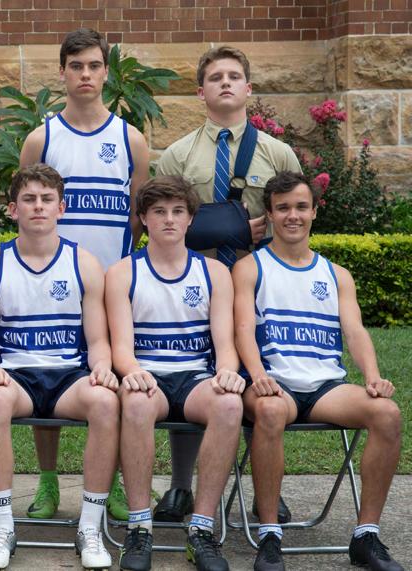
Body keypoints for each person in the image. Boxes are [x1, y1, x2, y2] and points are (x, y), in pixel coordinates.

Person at [154, 45, 302, 524]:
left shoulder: (277, 153)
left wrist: (266, 227)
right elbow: (161, 217)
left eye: (234, 76)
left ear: (248, 88)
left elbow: (295, 215)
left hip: (257, 285)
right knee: (192, 378)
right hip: (194, 286)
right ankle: (180, 487)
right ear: (201, 91)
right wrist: (216, 227)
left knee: (263, 382)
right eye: (215, 77)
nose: (225, 83)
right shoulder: (178, 154)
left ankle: (266, 489)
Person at [233, 171, 404, 571]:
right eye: (283, 208)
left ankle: (366, 536)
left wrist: (372, 376)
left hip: (326, 388)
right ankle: (270, 534)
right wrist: (257, 374)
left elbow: (354, 332)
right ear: (269, 214)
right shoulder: (250, 268)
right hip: (273, 383)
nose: (292, 215)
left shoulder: (336, 274)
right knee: (270, 410)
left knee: (387, 413)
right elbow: (241, 328)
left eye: (301, 207)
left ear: (313, 212)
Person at [19, 27, 150, 520]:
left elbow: (137, 216)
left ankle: (111, 483)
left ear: (106, 72)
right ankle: (48, 481)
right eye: (76, 66)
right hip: (51, 284)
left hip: (111, 286)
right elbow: (28, 204)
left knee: (110, 383)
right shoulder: (42, 138)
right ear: (62, 73)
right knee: (45, 374)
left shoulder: (130, 139)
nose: (86, 75)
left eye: (94, 66)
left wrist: (114, 277)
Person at [0, 164, 118, 570]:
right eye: (29, 199)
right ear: (13, 210)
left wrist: (103, 367)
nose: (38, 206)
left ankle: (89, 528)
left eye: (46, 199)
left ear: (61, 207)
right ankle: (2, 527)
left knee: (106, 402)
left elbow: (97, 341)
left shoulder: (84, 264)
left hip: (68, 376)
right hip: (15, 376)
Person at [105, 176, 244, 571]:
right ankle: (139, 528)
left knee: (230, 405)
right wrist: (131, 371)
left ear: (190, 219)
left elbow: (225, 344)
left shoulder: (214, 272)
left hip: (195, 378)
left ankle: (201, 529)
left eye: (178, 211)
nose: (169, 219)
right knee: (135, 403)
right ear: (143, 219)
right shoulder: (123, 272)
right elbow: (121, 348)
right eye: (159, 211)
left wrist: (228, 372)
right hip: (148, 375)